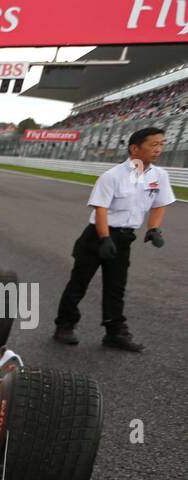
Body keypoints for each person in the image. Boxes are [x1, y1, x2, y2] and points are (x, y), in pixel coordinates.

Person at [54, 127, 174, 353]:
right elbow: (101, 209)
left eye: (162, 144)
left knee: (116, 288)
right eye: (154, 145)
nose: (159, 149)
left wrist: (154, 229)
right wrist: (105, 238)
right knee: (79, 283)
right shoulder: (113, 176)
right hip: (97, 236)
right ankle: (64, 326)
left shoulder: (159, 176)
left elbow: (160, 204)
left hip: (124, 239)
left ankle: (114, 333)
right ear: (135, 148)